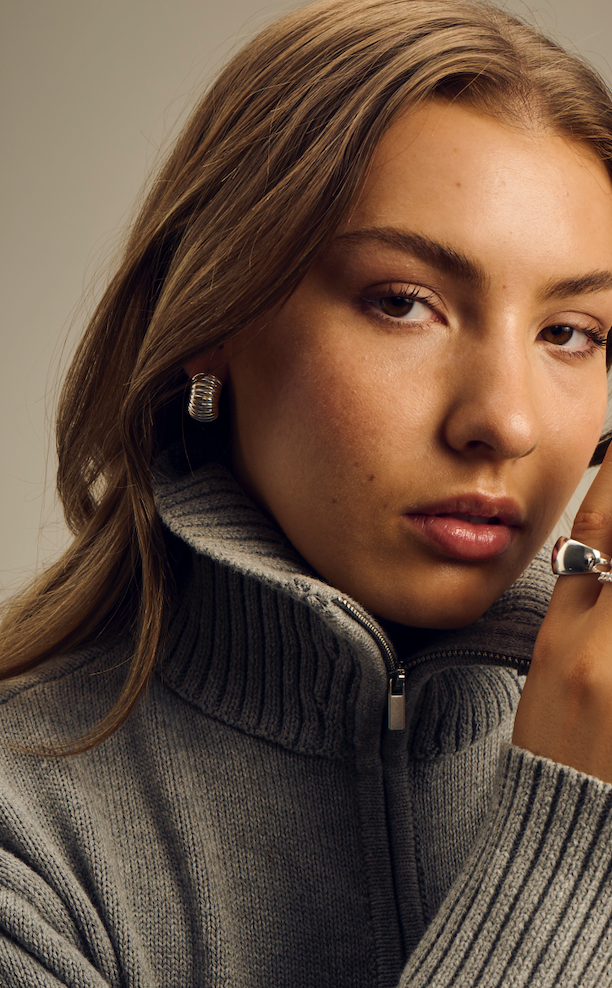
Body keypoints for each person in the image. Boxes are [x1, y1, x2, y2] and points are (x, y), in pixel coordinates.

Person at [2, 0, 612, 984]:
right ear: (216, 314)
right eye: (404, 303)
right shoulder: (25, 842)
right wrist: (564, 848)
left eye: (571, 332)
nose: (506, 421)